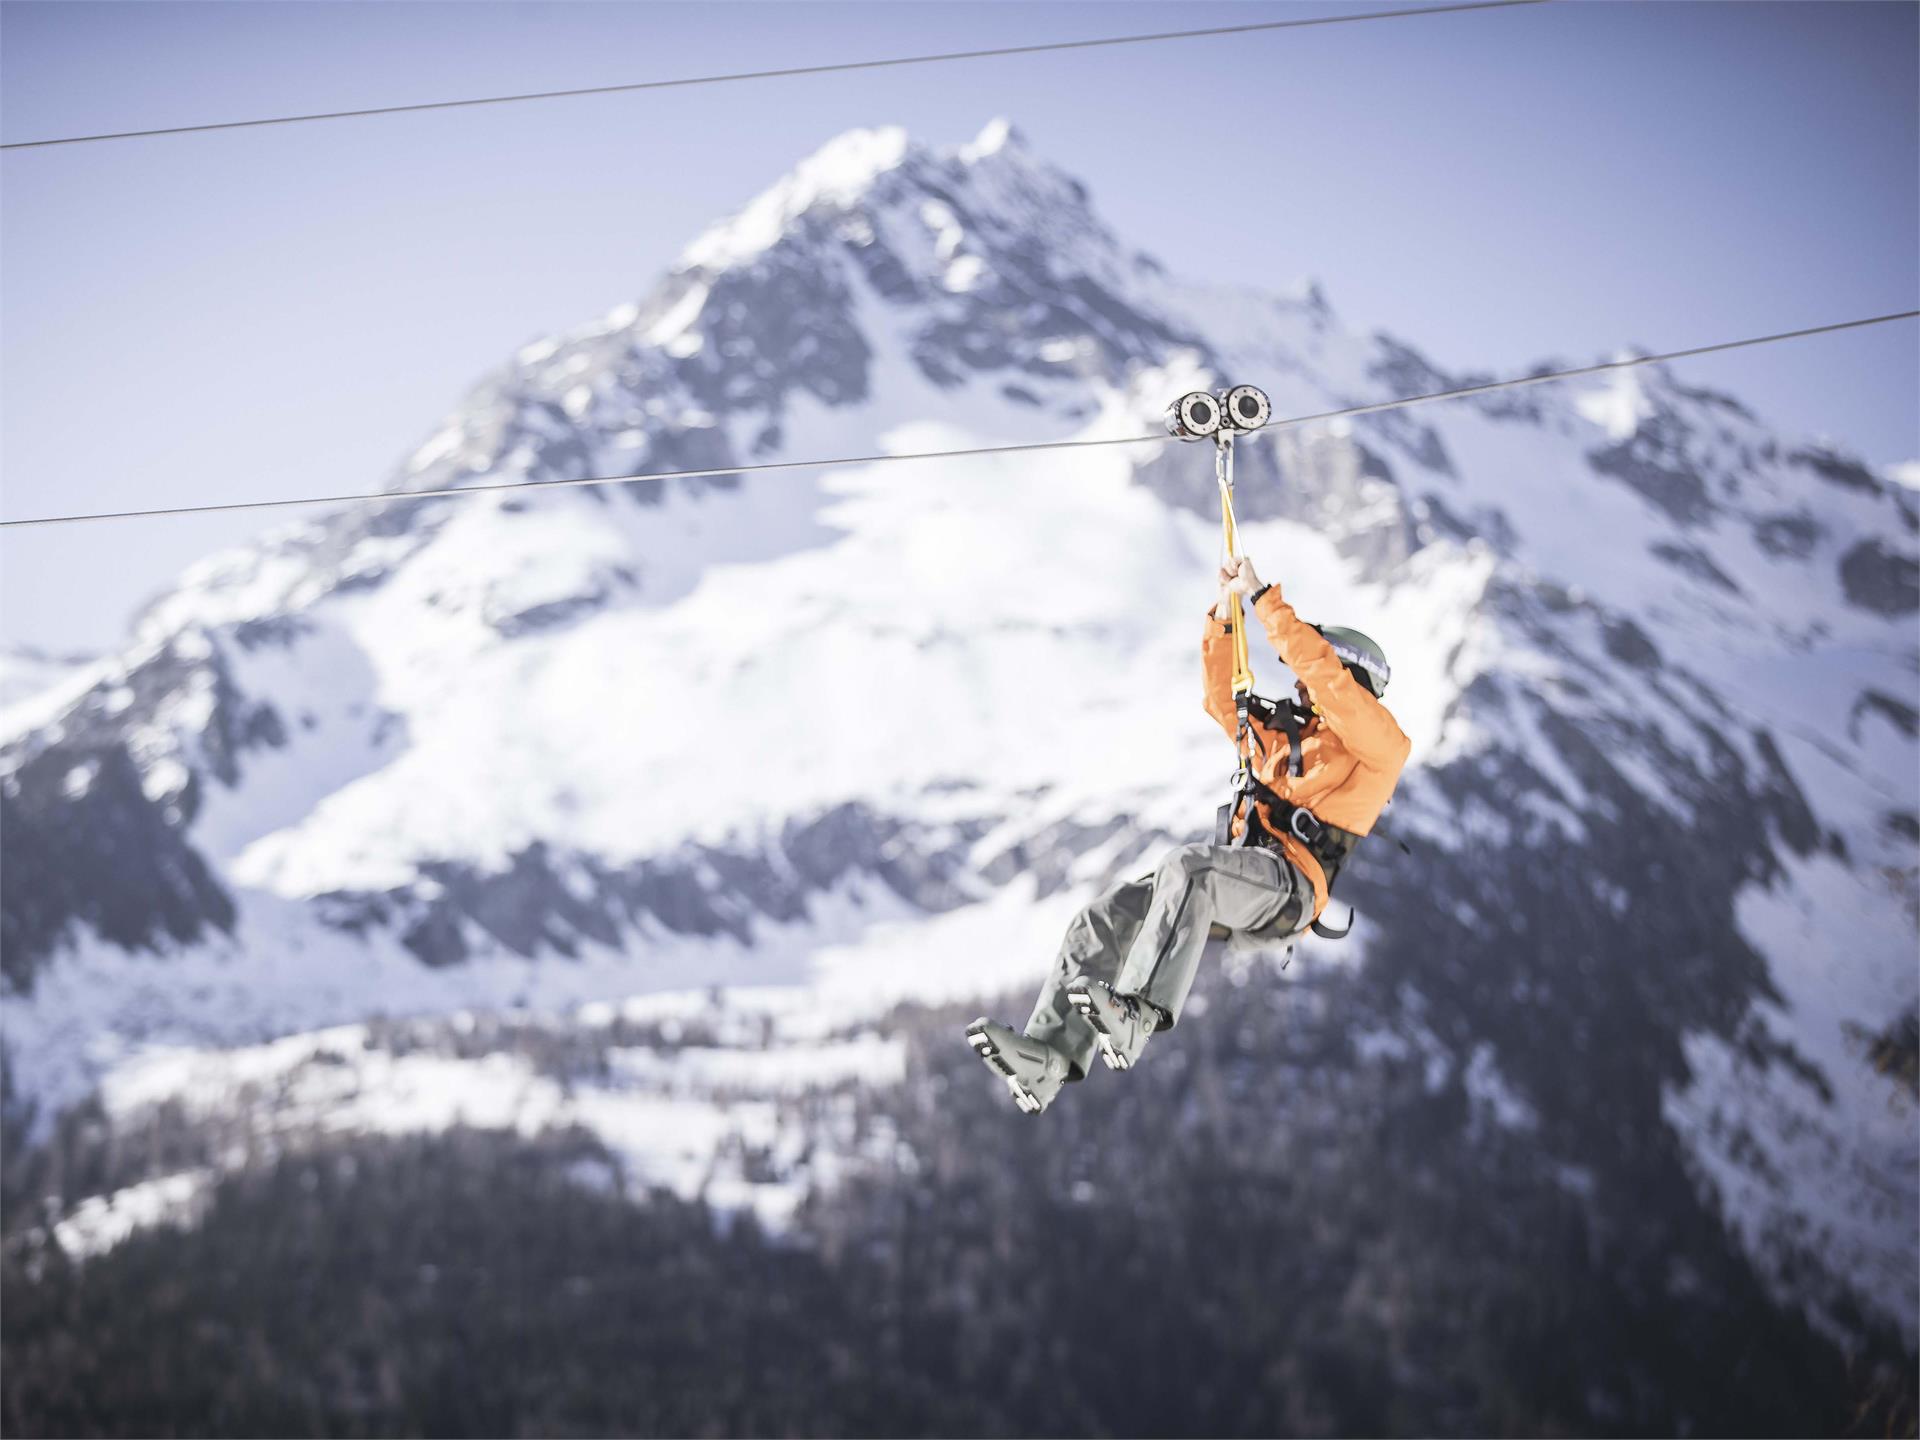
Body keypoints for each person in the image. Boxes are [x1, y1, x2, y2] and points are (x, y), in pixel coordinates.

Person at [966, 555, 1412, 1114]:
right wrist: (1225, 616)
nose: (1298, 689)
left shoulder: (1379, 749)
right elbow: (1222, 696)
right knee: (1102, 922)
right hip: (1237, 879)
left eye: (1308, 682)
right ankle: (1048, 1060)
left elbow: (1330, 682)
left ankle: (1136, 1014)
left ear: (1349, 678)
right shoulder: (1283, 744)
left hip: (1290, 888)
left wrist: (1264, 601)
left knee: (1190, 868)